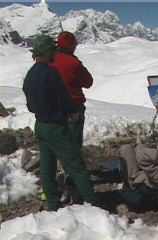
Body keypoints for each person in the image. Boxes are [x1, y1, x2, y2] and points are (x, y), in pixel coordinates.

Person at [23, 34, 99, 211]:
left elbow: (30, 106)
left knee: (47, 166)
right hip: (56, 126)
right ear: (48, 50)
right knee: (76, 164)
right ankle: (93, 204)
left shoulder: (30, 74)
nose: (55, 53)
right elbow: (65, 100)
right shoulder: (51, 73)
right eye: (53, 49)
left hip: (40, 125)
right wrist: (71, 111)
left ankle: (53, 202)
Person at [50, 31, 93, 148]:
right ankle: (73, 165)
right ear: (70, 46)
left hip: (52, 107)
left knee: (57, 141)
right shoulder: (74, 63)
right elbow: (88, 82)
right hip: (73, 107)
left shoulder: (49, 60)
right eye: (74, 45)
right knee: (73, 142)